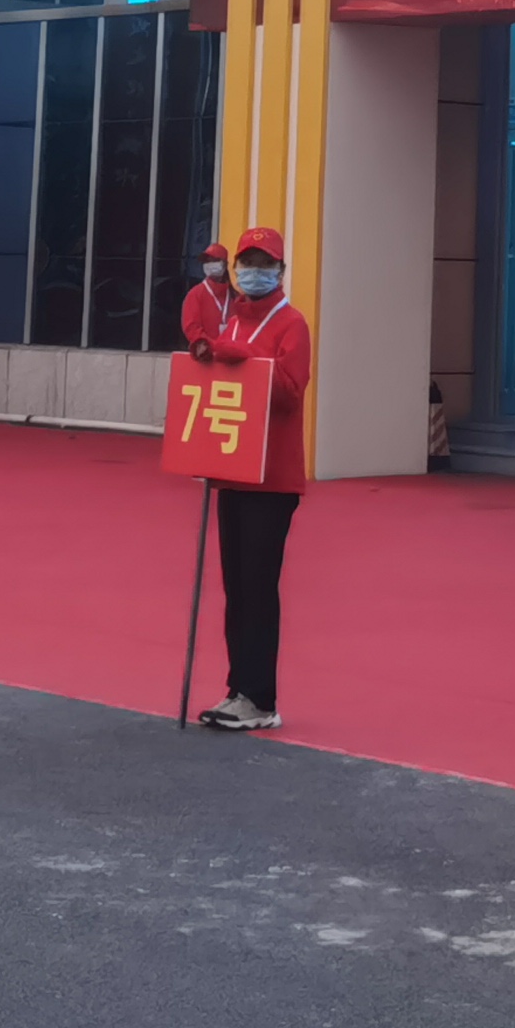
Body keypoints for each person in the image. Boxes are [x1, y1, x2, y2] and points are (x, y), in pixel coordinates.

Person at [181, 223, 309, 730]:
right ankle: (239, 688)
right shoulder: (232, 322)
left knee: (257, 585)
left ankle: (260, 699)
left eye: (264, 264)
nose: (255, 272)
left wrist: (249, 359)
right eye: (247, 264)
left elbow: (291, 393)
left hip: (272, 480)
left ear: (281, 269)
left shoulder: (291, 324)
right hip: (233, 472)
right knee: (236, 585)